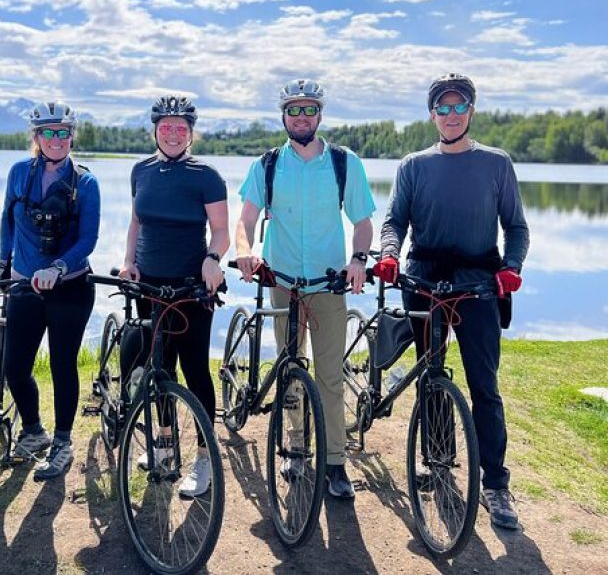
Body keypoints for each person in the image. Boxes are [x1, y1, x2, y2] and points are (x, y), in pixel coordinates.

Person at [374, 73, 530, 529]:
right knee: (430, 375)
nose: (451, 115)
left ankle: (496, 486)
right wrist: (387, 255)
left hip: (480, 285)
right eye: (442, 108)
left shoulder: (496, 164)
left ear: (471, 111)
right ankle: (437, 461)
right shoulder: (413, 165)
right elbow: (394, 220)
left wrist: (511, 267)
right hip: (423, 280)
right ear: (432, 114)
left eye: (459, 106)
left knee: (485, 386)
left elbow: (516, 227)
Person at [235, 79, 376, 499]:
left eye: (309, 110)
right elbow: (244, 221)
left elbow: (364, 221)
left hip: (328, 285)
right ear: (283, 116)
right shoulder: (267, 164)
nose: (301, 117)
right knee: (290, 371)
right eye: (293, 110)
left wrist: (359, 260)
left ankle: (335, 463)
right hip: (283, 284)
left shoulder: (343, 163)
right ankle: (296, 448)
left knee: (330, 376)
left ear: (320, 116)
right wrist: (245, 252)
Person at [119, 95, 229, 497]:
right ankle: (165, 446)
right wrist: (129, 262)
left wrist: (213, 259)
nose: (172, 132)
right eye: (165, 126)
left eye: (180, 127)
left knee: (195, 369)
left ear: (190, 133)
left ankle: (204, 458)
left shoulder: (206, 175)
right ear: (155, 130)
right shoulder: (141, 171)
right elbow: (135, 223)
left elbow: (221, 231)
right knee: (159, 368)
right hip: (149, 285)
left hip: (191, 287)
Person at [0, 101, 100, 481]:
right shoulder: (19, 173)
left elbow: (88, 239)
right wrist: (3, 263)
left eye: (64, 132)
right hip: (24, 284)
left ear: (72, 136)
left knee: (61, 364)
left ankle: (63, 442)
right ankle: (34, 431)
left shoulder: (85, 182)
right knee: (14, 366)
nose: (57, 139)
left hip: (70, 287)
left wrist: (58, 267)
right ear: (36, 138)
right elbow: (7, 219)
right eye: (49, 133)